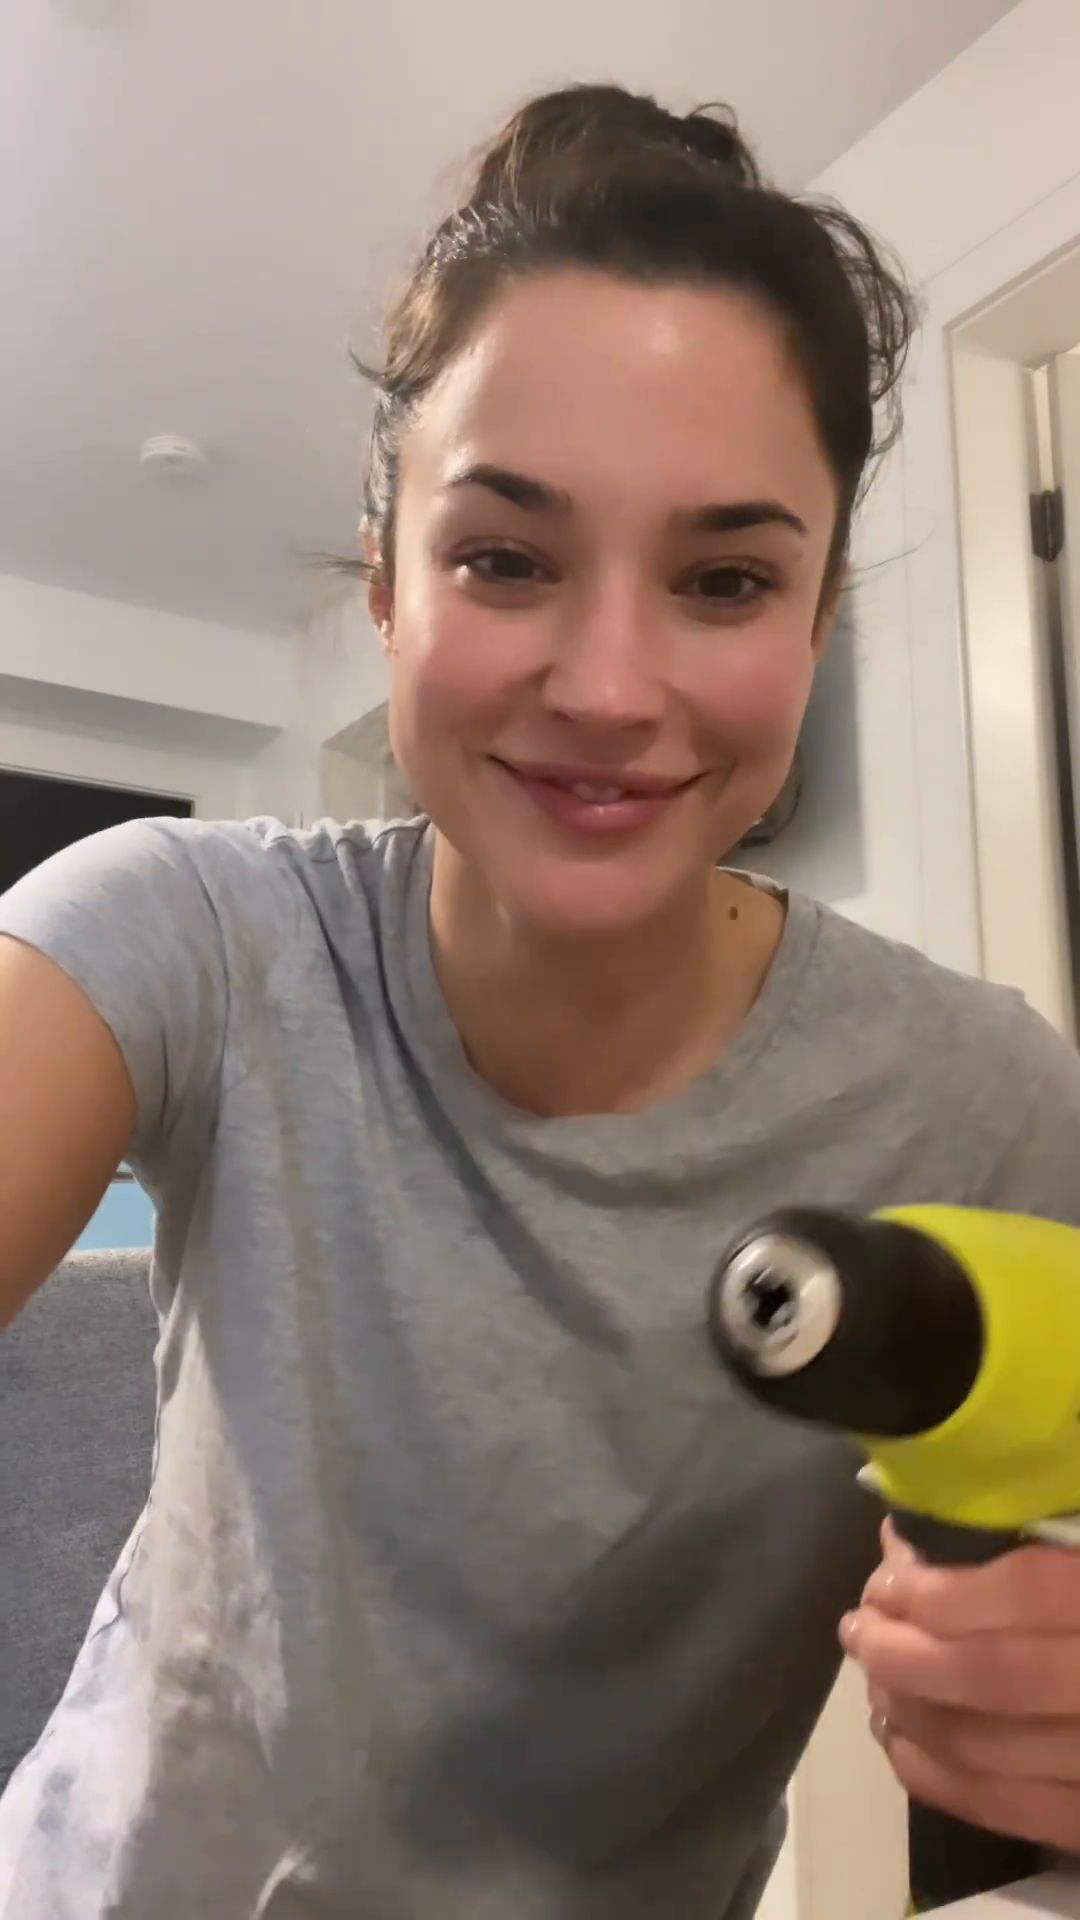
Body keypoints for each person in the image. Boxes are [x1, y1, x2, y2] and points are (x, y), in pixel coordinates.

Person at [1, 81, 1079, 1920]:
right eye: (505, 557)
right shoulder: (185, 933)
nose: (607, 686)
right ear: (386, 582)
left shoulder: (982, 1109)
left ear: (817, 622)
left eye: (725, 578)